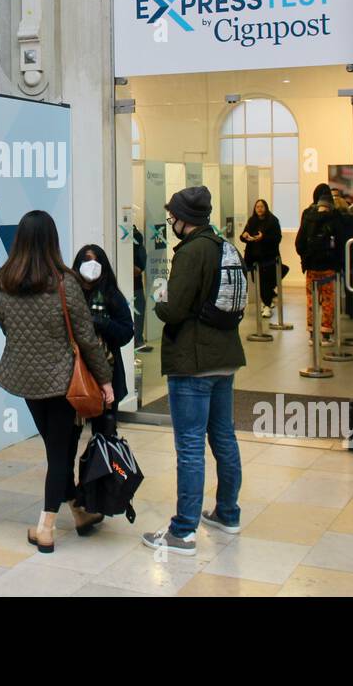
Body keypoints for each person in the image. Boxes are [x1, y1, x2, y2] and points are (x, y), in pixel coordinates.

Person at [0, 210, 113, 553]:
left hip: (25, 377)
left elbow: (5, 325)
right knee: (59, 453)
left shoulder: (3, 280)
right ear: (52, 240)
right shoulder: (65, 282)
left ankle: (79, 512)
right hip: (62, 380)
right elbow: (85, 337)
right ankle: (46, 527)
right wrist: (105, 380)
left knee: (54, 447)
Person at [141, 185, 244, 557]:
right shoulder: (222, 246)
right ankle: (228, 512)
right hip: (225, 357)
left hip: (193, 361)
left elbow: (174, 310)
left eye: (172, 216)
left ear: (185, 219)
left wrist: (158, 295)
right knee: (224, 437)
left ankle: (183, 531)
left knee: (189, 447)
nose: (170, 221)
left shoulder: (190, 252)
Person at [72, 244, 134, 424]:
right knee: (70, 429)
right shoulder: (70, 293)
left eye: (96, 261)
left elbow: (126, 332)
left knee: (104, 427)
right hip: (74, 370)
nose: (91, 265)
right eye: (86, 260)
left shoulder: (112, 295)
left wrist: (102, 323)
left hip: (108, 371)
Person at [295, 183, 343, 343]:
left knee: (311, 300)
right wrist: (339, 263)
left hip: (311, 267)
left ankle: (311, 333)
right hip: (329, 267)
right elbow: (341, 242)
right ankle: (326, 334)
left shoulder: (308, 216)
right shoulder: (335, 217)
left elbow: (299, 243)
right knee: (328, 300)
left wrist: (305, 259)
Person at [239, 199, 282, 319]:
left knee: (265, 282)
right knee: (257, 281)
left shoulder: (272, 221)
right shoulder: (252, 221)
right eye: (257, 207)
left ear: (266, 207)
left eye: (262, 206)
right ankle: (267, 300)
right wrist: (244, 236)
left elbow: (277, 238)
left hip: (268, 257)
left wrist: (263, 238)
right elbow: (244, 236)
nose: (259, 209)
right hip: (253, 257)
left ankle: (267, 305)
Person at [132, 226, 151, 353]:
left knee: (139, 312)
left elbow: (138, 269)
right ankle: (137, 341)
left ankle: (138, 340)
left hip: (136, 285)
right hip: (132, 285)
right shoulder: (135, 240)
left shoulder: (136, 239)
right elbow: (137, 269)